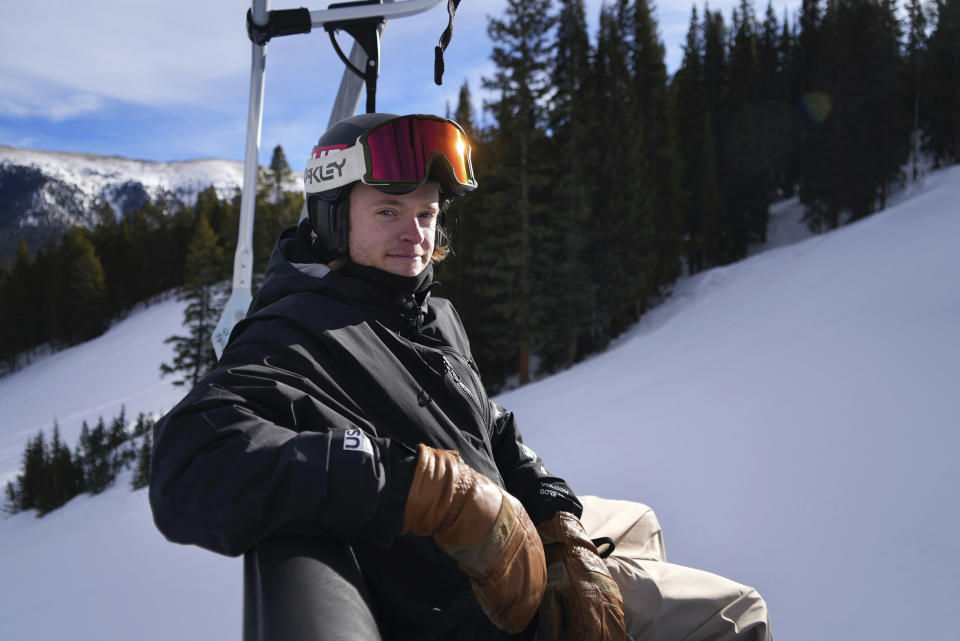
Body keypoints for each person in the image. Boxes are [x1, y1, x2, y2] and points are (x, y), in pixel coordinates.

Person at [149, 113, 771, 641]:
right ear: (333, 214)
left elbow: (492, 428)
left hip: (510, 535)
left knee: (639, 520)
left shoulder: (427, 313)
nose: (413, 235)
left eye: (426, 213)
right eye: (388, 210)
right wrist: (422, 488)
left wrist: (557, 520)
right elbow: (189, 460)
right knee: (738, 614)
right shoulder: (293, 336)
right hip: (468, 599)